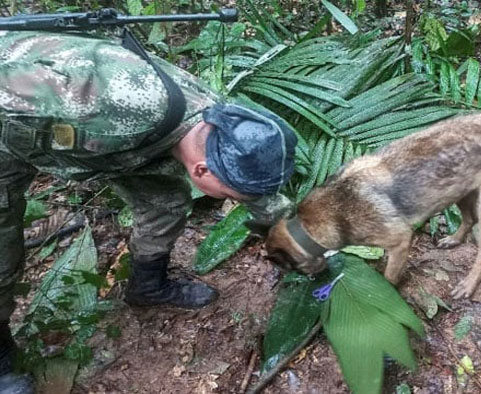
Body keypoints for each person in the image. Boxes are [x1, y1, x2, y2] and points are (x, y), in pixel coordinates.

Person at [0, 30, 296, 393]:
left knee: (165, 204)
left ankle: (147, 286)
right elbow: (13, 81)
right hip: (11, 126)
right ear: (202, 171)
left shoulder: (221, 127)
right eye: (231, 196)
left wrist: (302, 239)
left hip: (110, 146)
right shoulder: (108, 104)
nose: (236, 201)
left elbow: (259, 194)